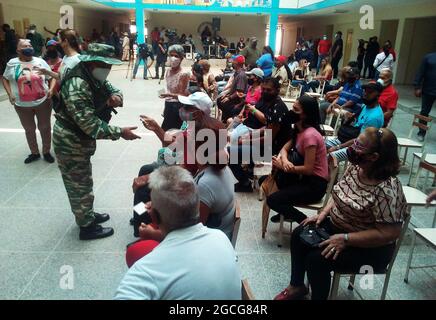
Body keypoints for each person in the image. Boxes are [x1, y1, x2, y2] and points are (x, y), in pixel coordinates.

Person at [274, 127, 409, 300]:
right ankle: (297, 286)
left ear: (374, 157)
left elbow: (389, 233)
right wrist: (322, 214)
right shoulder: (357, 168)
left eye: (359, 147)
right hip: (341, 229)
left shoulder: (387, 190)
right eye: (355, 142)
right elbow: (340, 193)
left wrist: (345, 239)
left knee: (316, 259)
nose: (352, 148)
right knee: (299, 233)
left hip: (370, 247)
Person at [53, 43, 140, 240]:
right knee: (78, 184)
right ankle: (86, 227)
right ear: (92, 62)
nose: (108, 69)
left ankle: (88, 215)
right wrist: (121, 132)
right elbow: (89, 125)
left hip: (80, 140)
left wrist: (115, 97)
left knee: (84, 180)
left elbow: (114, 90)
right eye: (105, 65)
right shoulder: (78, 84)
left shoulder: (93, 76)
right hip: (70, 140)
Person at [115, 166, 241, 300]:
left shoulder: (145, 272)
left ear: (154, 217)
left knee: (134, 251)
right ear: (197, 205)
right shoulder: (221, 238)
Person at [266, 96, 328, 223]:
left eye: (296, 109)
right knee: (277, 179)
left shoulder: (310, 135)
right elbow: (284, 148)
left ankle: (306, 222)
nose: (291, 111)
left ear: (305, 115)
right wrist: (285, 161)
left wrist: (283, 166)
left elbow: (308, 169)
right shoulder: (299, 130)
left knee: (272, 200)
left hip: (315, 185)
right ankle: (286, 210)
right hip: (304, 179)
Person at [229, 77, 291, 192]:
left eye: (269, 90)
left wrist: (246, 141)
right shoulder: (270, 103)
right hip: (267, 145)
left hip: (272, 150)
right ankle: (251, 171)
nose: (265, 92)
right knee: (236, 143)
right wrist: (249, 136)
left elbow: (268, 138)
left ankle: (245, 183)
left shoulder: (278, 108)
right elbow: (266, 127)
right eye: (263, 89)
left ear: (277, 90)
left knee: (229, 153)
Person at [2, 39, 56, 164]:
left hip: (43, 102)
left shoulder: (40, 61)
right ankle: (34, 152)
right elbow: (5, 78)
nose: (28, 47)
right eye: (25, 46)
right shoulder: (12, 63)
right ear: (18, 50)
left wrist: (51, 90)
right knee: (29, 129)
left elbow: (52, 77)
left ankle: (46, 151)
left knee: (45, 127)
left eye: (30, 45)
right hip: (21, 105)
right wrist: (10, 94)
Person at [326, 81, 385, 164]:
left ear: (378, 95)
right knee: (321, 144)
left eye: (370, 92)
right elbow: (357, 122)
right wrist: (347, 114)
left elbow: (360, 140)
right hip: (350, 138)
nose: (365, 94)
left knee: (331, 157)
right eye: (365, 90)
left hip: (359, 148)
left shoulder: (374, 117)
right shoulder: (365, 106)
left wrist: (338, 147)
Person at [159, 44, 190, 131]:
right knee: (166, 132)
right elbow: (169, 87)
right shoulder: (168, 71)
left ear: (181, 58)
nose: (173, 58)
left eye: (176, 56)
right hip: (168, 104)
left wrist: (169, 95)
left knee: (174, 133)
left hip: (178, 107)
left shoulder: (184, 74)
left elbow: (183, 95)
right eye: (171, 55)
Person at [228, 67, 264, 137]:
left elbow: (258, 109)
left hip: (251, 121)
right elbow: (246, 103)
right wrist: (241, 113)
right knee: (229, 123)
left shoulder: (260, 92)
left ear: (256, 78)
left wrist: (245, 119)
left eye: (250, 76)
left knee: (230, 133)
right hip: (244, 117)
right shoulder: (250, 88)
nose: (248, 77)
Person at [217, 55, 248, 123]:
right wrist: (227, 95)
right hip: (233, 98)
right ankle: (224, 119)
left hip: (237, 101)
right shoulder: (237, 73)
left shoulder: (241, 75)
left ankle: (226, 120)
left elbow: (239, 92)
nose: (232, 62)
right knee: (220, 99)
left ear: (237, 63)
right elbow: (233, 88)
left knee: (223, 103)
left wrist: (229, 98)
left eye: (233, 61)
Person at [413, 51, 436, 142]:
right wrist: (417, 86)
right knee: (424, 112)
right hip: (428, 90)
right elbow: (420, 72)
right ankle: (421, 132)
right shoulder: (429, 57)